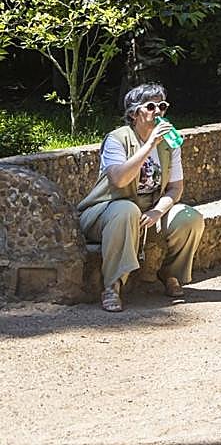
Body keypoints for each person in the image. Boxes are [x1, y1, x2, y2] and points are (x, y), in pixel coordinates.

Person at [77, 83, 205, 311]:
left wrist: (158, 211)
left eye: (162, 106)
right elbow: (119, 180)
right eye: (151, 106)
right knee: (126, 210)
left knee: (189, 217)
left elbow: (175, 189)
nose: (158, 112)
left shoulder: (169, 143)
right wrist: (149, 145)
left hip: (147, 209)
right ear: (134, 113)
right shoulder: (117, 139)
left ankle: (170, 274)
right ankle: (112, 286)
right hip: (106, 210)